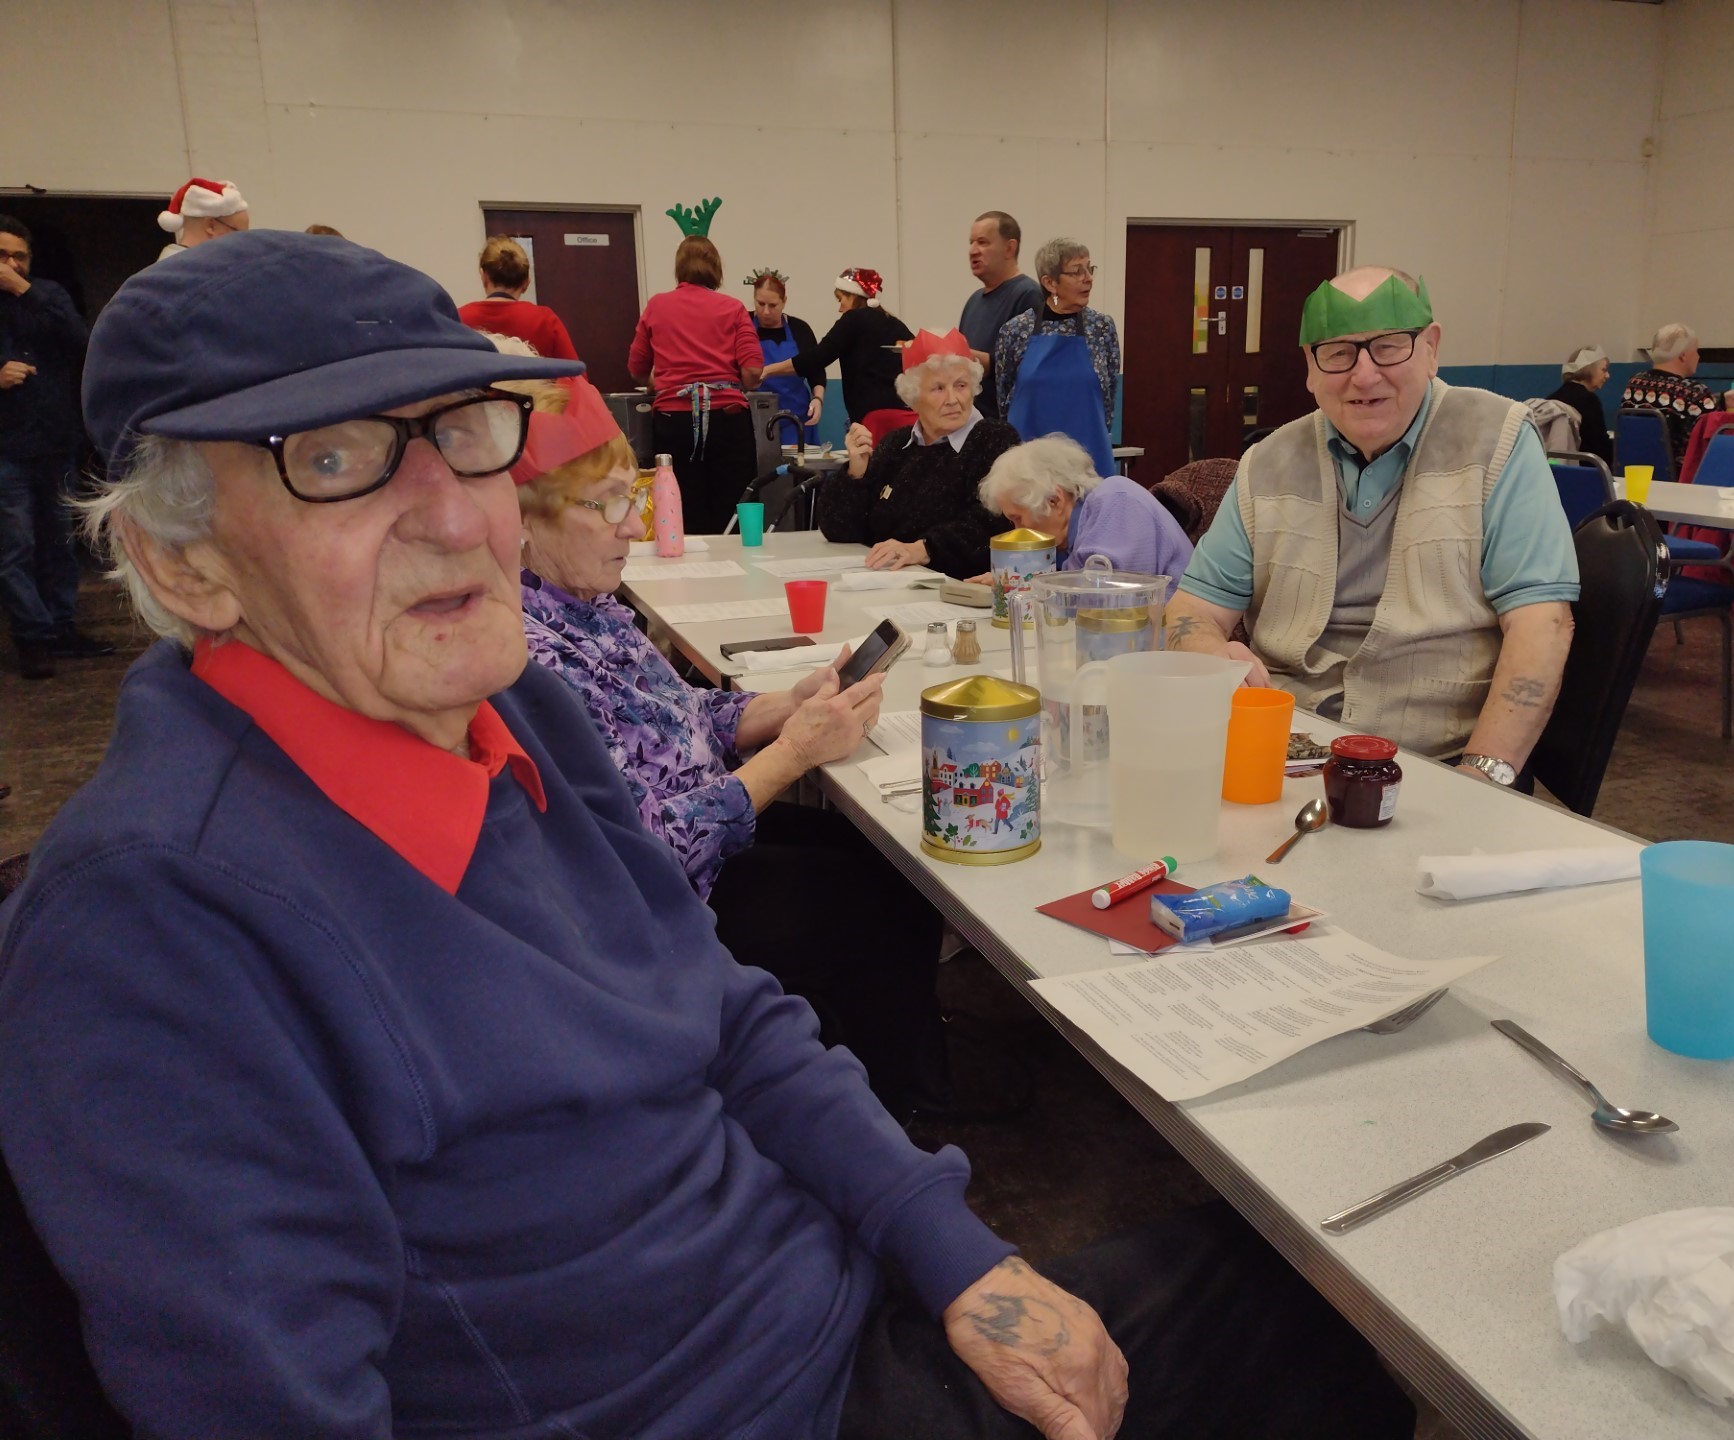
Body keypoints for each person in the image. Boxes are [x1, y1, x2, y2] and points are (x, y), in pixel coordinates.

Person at [0, 229, 1417, 1440]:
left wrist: (960, 1262)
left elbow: (731, 1020)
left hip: (833, 1317)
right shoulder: (153, 925)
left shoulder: (522, 718)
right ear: (183, 564)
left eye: (464, 435)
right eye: (335, 460)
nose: (454, 516)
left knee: (1338, 1302)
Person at [510, 375, 950, 1116]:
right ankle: (896, 1113)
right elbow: (648, 854)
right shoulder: (534, 658)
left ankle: (895, 1071)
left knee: (886, 860)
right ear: (523, 519)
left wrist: (788, 705)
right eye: (609, 504)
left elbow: (681, 714)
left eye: (636, 499)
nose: (632, 527)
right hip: (666, 905)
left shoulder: (586, 606)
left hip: (704, 832)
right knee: (878, 901)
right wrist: (794, 753)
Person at [1167, 265, 1579, 779]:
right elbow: (1193, 608)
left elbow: (1543, 623)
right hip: (1285, 750)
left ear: (1431, 347)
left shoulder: (1496, 439)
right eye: (1338, 352)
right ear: (1310, 369)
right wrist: (1208, 651)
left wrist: (1482, 775)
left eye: (1388, 345)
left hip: (1433, 763)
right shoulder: (1269, 462)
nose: (1364, 376)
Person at [0, 214, 111, 680]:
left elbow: (83, 342)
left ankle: (62, 628)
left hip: (54, 441)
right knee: (15, 549)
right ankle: (33, 638)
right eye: (1, 256)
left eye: (18, 256)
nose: (9, 264)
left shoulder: (47, 296)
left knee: (60, 544)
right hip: (5, 449)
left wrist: (26, 291)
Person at [820, 328, 1016, 576]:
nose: (953, 399)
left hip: (957, 592)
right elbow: (839, 530)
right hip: (889, 585)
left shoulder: (995, 439)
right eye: (938, 388)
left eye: (961, 385)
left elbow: (994, 523)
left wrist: (922, 549)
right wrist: (856, 474)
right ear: (912, 397)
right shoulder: (897, 445)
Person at [627, 235, 764, 535]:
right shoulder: (733, 308)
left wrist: (661, 383)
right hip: (727, 419)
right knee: (733, 508)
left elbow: (636, 369)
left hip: (672, 421)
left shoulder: (657, 306)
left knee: (678, 508)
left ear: (679, 268)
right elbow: (753, 370)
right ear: (716, 269)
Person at [977, 434, 1194, 579]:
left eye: (1018, 518)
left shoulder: (1116, 500)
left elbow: (1100, 600)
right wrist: (1013, 578)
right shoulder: (1081, 527)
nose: (1018, 531)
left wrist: (1023, 584)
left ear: (1055, 501)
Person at [995, 238, 1121, 478]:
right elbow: (1005, 400)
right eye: (1077, 272)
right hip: (1030, 465)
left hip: (1088, 461)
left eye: (1089, 268)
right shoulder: (1015, 331)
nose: (1088, 278)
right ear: (1050, 282)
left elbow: (1108, 401)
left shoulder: (1102, 328)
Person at [761, 267, 914, 437]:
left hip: (871, 418)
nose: (840, 308)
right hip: (904, 416)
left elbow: (817, 357)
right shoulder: (894, 323)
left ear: (853, 296)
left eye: (841, 299)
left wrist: (768, 370)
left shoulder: (853, 319)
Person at [959, 212, 1042, 422]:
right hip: (974, 425)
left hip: (1010, 429)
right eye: (971, 242)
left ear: (1009, 248)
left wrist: (974, 359)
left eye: (983, 242)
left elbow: (1031, 369)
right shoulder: (974, 301)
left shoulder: (1028, 295)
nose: (973, 251)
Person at [456, 235, 579, 362]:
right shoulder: (545, 320)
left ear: (483, 277)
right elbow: (576, 377)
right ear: (526, 283)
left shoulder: (457, 319)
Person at [1622, 323, 1727, 470]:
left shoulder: (1634, 383)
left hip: (1636, 473)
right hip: (1682, 477)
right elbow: (1716, 439)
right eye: (1696, 351)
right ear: (1683, 356)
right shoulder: (1695, 393)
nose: (1698, 356)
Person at [745, 266, 824, 444]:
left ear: (784, 301)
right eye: (760, 304)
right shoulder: (743, 325)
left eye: (773, 305)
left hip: (796, 420)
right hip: (753, 420)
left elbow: (816, 370)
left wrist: (818, 399)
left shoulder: (800, 329)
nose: (765, 311)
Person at [1542, 345, 1612, 465]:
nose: (1607, 376)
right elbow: (1600, 449)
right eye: (1604, 370)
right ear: (1589, 369)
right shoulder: (1589, 401)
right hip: (1584, 471)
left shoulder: (1552, 398)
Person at [155, 177, 248, 261]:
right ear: (210, 226)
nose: (243, 244)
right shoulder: (184, 271)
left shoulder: (175, 264)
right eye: (239, 234)